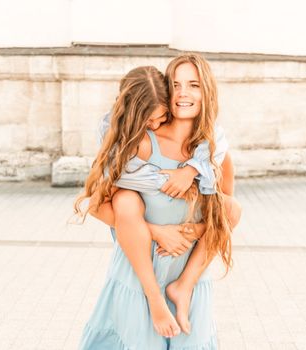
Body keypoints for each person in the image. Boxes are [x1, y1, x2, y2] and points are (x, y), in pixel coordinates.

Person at [76, 56, 241, 349]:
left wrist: (195, 231)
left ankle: (184, 288)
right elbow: (97, 203)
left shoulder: (215, 153)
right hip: (140, 280)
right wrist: (156, 231)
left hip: (189, 278)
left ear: (208, 92)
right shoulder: (141, 141)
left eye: (194, 85)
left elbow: (224, 217)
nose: (183, 93)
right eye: (175, 85)